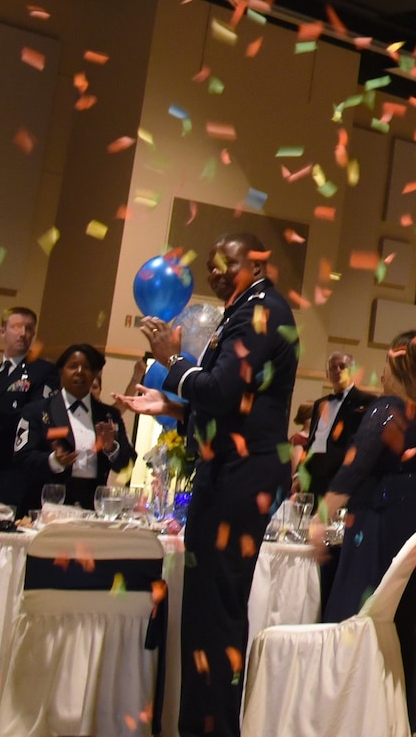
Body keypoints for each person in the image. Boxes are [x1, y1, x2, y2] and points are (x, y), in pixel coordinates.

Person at [119, 229, 300, 737]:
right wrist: (172, 405)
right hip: (233, 470)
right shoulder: (247, 308)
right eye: (212, 261)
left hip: (240, 476)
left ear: (257, 262)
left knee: (215, 612)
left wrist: (170, 362)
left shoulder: (260, 311)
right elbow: (239, 401)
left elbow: (220, 390)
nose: (215, 269)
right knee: (204, 609)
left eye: (228, 260)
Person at [317, 330, 416, 733]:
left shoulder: (387, 409)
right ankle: (400, 717)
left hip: (383, 521)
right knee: (406, 625)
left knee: (361, 618)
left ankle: (351, 717)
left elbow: (355, 467)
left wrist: (317, 520)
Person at [14, 343, 136, 510]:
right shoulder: (37, 410)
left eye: (86, 367)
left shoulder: (109, 415)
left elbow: (126, 463)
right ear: (61, 371)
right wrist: (53, 461)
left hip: (91, 506)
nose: (79, 372)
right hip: (46, 504)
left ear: (94, 374)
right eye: (72, 366)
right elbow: (22, 459)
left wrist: (111, 449)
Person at [0, 304, 59, 506]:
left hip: (13, 473)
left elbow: (37, 420)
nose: (23, 333)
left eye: (29, 328)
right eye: (16, 326)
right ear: (2, 331)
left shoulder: (44, 372)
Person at [301, 350, 374, 497]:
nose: (337, 371)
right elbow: (313, 441)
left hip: (341, 479)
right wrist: (300, 473)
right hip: (314, 479)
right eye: (333, 367)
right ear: (327, 374)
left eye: (342, 366)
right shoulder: (319, 404)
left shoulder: (366, 402)